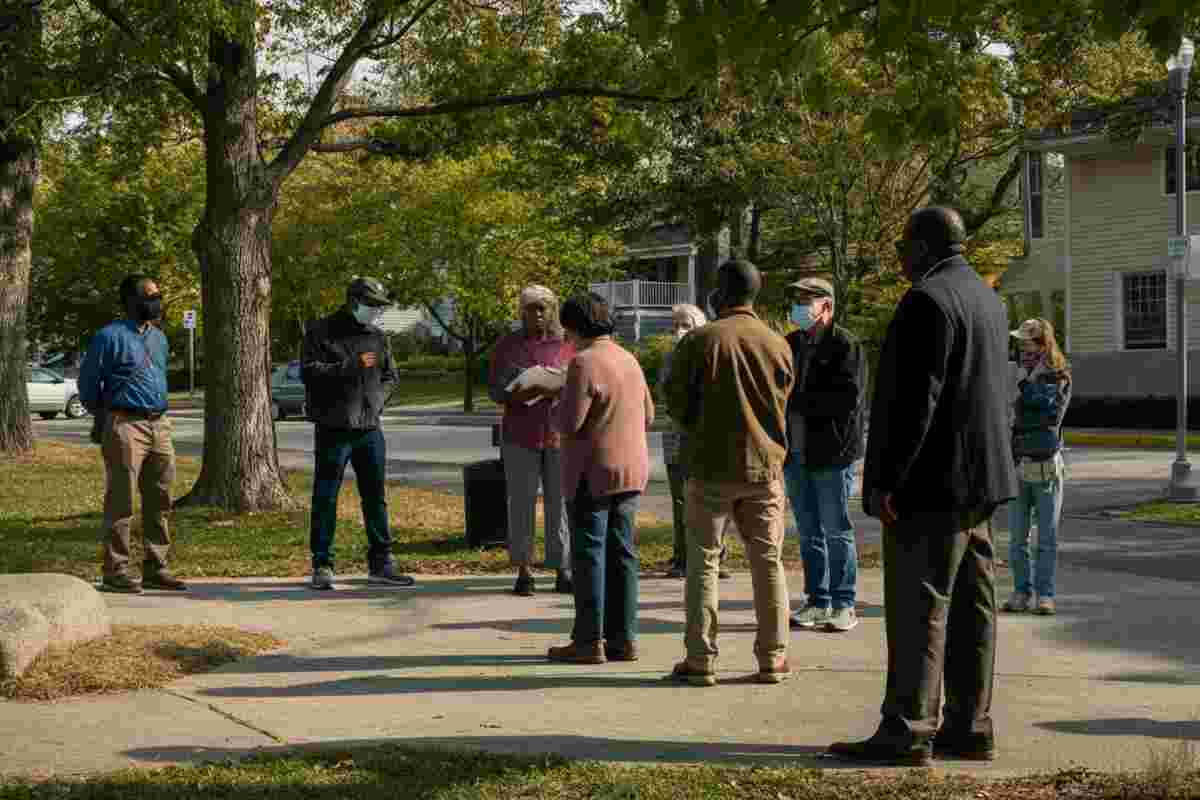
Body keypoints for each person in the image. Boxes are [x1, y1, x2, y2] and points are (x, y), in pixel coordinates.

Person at [828, 207, 1018, 766]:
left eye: (903, 245)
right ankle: (969, 723)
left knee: (920, 606)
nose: (898, 257)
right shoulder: (988, 298)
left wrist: (886, 478)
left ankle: (908, 727)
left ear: (924, 247)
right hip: (982, 480)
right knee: (972, 607)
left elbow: (914, 403)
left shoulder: (927, 300)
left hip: (932, 483)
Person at [665, 258, 795, 687]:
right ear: (755, 294)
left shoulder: (700, 341)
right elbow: (784, 404)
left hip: (709, 466)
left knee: (703, 562)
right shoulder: (778, 343)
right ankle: (773, 658)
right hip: (765, 467)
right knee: (768, 562)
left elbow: (677, 404)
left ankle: (701, 658)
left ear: (720, 294)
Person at [548, 292, 653, 664]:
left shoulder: (583, 363)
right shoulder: (629, 359)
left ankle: (589, 640)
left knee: (589, 554)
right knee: (623, 554)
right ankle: (624, 638)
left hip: (591, 472)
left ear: (573, 326)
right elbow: (649, 415)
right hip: (630, 469)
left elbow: (569, 422)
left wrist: (553, 404)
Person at [301, 277, 414, 591]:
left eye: (379, 307)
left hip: (369, 429)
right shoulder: (321, 332)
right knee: (326, 497)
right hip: (334, 428)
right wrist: (349, 366)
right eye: (372, 306)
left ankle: (382, 562)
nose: (376, 312)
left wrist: (378, 401)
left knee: (375, 497)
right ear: (354, 302)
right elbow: (309, 373)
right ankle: (322, 563)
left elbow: (391, 376)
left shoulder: (378, 337)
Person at [78, 274, 185, 594]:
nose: (156, 301)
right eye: (149, 296)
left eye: (158, 295)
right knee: (121, 500)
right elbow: (88, 384)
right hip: (125, 423)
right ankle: (116, 570)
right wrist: (104, 418)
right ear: (130, 301)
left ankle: (156, 566)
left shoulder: (160, 338)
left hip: (160, 424)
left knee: (161, 498)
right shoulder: (108, 337)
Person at [782, 277, 866, 634]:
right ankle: (817, 600)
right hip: (795, 453)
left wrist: (799, 400)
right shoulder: (790, 343)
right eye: (796, 300)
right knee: (808, 531)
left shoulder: (845, 345)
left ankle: (844, 602)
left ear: (826, 306)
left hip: (832, 453)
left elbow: (848, 399)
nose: (799, 308)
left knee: (836, 530)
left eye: (806, 301)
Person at [488, 285, 576, 596]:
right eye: (530, 308)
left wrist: (556, 385)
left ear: (553, 310)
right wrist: (521, 388)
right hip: (519, 435)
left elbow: (581, 384)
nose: (537, 314)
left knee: (560, 505)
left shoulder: (568, 344)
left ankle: (562, 567)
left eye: (543, 307)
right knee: (521, 503)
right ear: (521, 311)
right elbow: (495, 391)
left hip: (559, 435)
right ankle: (524, 569)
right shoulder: (507, 345)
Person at [1004, 318, 1072, 617]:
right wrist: (1024, 395)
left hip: (1047, 468)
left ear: (1043, 343)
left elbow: (1050, 418)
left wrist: (1024, 388)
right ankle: (1021, 591)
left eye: (1028, 342)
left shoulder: (1059, 376)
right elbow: (1011, 415)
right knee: (1017, 540)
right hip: (1018, 465)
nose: (1023, 348)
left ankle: (1045, 595)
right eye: (1020, 343)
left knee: (1046, 539)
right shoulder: (1017, 373)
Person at [659, 303, 731, 580]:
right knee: (681, 500)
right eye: (674, 325)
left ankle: (716, 556)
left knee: (714, 500)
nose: (679, 331)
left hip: (708, 439)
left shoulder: (713, 355)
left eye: (685, 324)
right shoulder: (670, 359)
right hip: (676, 437)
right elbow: (666, 394)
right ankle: (682, 557)